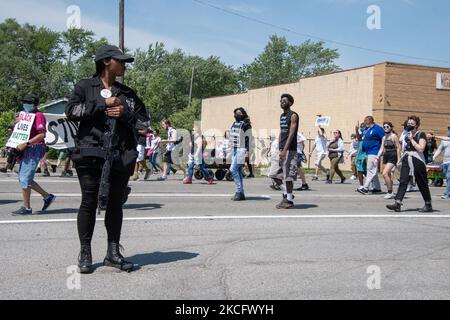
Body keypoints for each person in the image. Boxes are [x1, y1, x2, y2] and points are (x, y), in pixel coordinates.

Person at [66, 45, 150, 273]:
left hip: (120, 156)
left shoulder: (128, 94)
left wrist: (125, 114)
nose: (124, 65)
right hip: (90, 154)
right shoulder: (85, 86)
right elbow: (71, 111)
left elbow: (144, 124)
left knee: (115, 204)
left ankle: (113, 253)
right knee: (89, 201)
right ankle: (85, 252)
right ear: (106, 62)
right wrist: (103, 104)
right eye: (120, 61)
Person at [12, 94, 56, 215]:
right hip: (26, 147)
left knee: (25, 178)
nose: (25, 104)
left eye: (28, 102)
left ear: (35, 104)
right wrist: (17, 124)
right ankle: (47, 196)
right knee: (25, 177)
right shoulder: (25, 115)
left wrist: (26, 143)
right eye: (24, 101)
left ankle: (27, 208)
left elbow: (42, 134)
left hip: (34, 148)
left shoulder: (39, 115)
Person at [387, 116, 433, 213]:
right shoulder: (406, 134)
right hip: (407, 158)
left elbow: (421, 148)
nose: (409, 125)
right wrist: (399, 159)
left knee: (421, 183)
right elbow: (403, 148)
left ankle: (428, 204)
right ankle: (397, 203)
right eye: (408, 123)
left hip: (417, 159)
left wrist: (412, 139)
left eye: (412, 124)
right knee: (403, 181)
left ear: (416, 125)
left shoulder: (421, 134)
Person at [269, 94, 299, 209]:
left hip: (290, 150)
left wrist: (285, 149)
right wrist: (278, 147)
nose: (282, 102)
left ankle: (289, 200)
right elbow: (282, 132)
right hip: (281, 148)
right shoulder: (282, 116)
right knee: (273, 174)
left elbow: (291, 133)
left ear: (290, 103)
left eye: (284, 100)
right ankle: (287, 194)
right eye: (281, 100)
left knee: (288, 177)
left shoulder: (293, 115)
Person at [357, 116, 385, 195]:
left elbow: (384, 138)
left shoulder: (378, 128)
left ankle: (365, 188)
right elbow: (359, 139)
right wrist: (356, 130)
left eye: (365, 120)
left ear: (370, 120)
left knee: (370, 169)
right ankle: (377, 188)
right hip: (368, 152)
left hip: (374, 151)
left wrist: (381, 151)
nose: (364, 122)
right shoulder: (366, 129)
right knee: (373, 170)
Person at [229, 107, 252, 201]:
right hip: (234, 149)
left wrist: (247, 151)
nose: (237, 115)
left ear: (243, 114)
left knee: (233, 169)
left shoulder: (246, 124)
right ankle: (241, 193)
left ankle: (238, 191)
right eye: (235, 113)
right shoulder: (234, 123)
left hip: (241, 149)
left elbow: (249, 139)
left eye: (239, 113)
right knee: (238, 171)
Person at [376, 122, 401, 199]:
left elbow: (398, 148)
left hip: (393, 155)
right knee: (388, 175)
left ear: (391, 127)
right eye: (384, 127)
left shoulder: (394, 136)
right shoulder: (384, 138)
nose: (386, 127)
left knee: (384, 173)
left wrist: (399, 159)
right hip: (386, 155)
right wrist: (377, 156)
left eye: (387, 126)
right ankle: (391, 192)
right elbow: (381, 148)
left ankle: (389, 192)